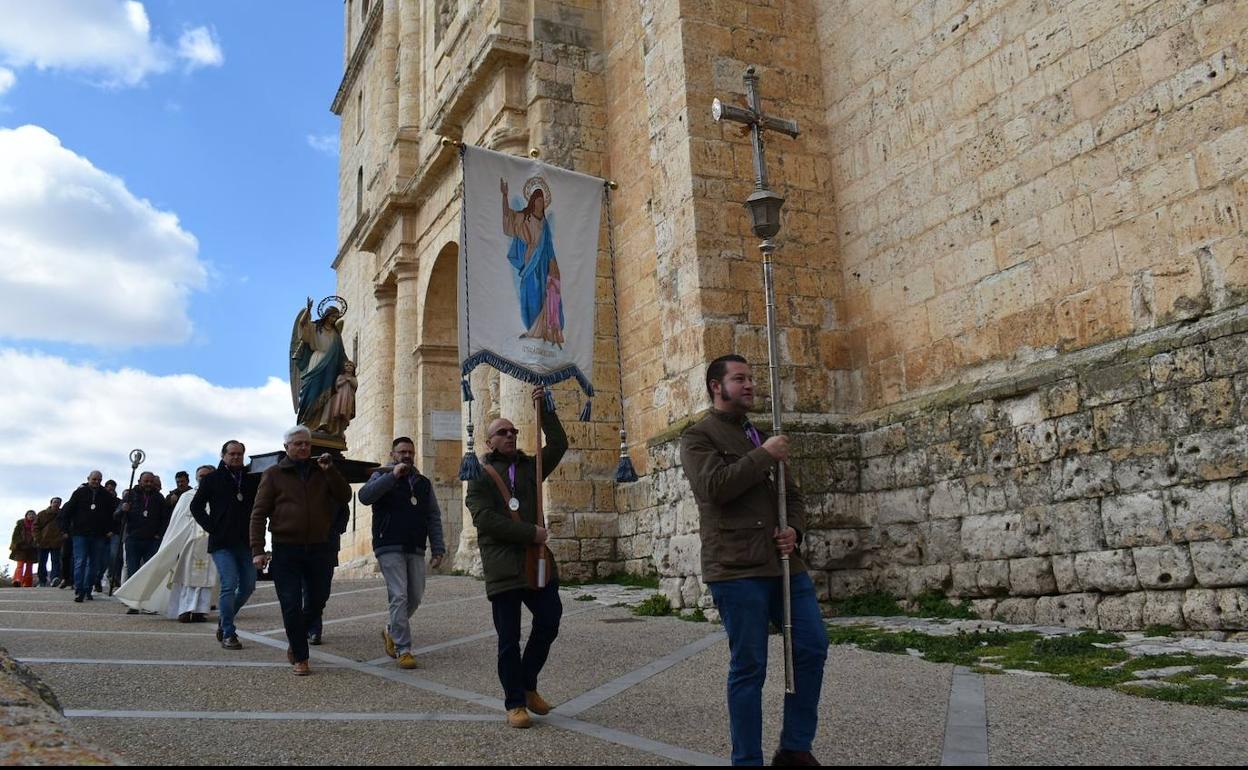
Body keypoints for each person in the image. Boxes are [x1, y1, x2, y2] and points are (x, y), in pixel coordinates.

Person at [680, 354, 828, 767]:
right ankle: (747, 760)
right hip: (736, 568)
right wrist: (764, 454)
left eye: (751, 378)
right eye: (739, 378)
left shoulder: (756, 433)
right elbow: (714, 488)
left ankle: (795, 748)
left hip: (784, 565)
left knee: (812, 647)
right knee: (750, 667)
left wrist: (794, 530)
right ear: (716, 386)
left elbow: (792, 496)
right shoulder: (697, 437)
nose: (749, 385)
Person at [464, 386, 567, 728]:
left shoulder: (530, 468)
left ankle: (527, 683)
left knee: (550, 620)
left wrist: (545, 408)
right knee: (508, 639)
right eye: (502, 433)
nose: (510, 436)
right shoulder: (478, 476)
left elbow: (559, 445)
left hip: (537, 563)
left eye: (513, 432)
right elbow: (486, 521)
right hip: (505, 568)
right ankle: (514, 704)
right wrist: (530, 533)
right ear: (489, 440)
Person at [250, 426, 351, 675]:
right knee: (290, 603)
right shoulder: (273, 474)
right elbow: (259, 513)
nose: (304, 448)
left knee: (318, 599)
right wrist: (257, 549)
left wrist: (332, 472)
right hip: (286, 548)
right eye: (298, 444)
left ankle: (297, 640)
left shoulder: (323, 470)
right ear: (287, 447)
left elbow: (344, 495)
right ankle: (300, 656)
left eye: (306, 444)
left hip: (320, 547)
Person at [358, 436, 447, 670]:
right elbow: (365, 497)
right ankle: (403, 648)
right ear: (392, 454)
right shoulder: (381, 476)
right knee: (399, 595)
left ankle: (391, 629)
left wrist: (438, 548)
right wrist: (392, 476)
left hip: (415, 546)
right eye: (401, 452)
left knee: (415, 595)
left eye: (410, 452)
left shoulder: (423, 483)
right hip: (388, 544)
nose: (406, 455)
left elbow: (433, 517)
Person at [116, 466, 218, 621]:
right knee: (185, 577)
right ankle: (183, 610)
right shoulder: (187, 496)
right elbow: (177, 522)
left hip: (210, 543)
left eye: (207, 476)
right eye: (201, 476)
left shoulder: (219, 496)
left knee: (206, 579)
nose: (203, 478)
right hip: (188, 543)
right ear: (197, 478)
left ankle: (200, 611)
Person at [191, 440, 260, 650]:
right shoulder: (212, 479)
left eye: (240, 454)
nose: (236, 457)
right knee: (229, 584)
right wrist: (213, 527)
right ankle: (229, 632)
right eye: (232, 454)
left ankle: (224, 618)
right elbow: (196, 506)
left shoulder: (251, 478)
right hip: (222, 542)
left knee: (248, 586)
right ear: (223, 455)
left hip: (246, 541)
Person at [59, 471, 113, 602]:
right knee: (80, 561)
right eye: (94, 479)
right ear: (88, 479)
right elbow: (66, 511)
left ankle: (88, 589)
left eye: (99, 480)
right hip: (80, 533)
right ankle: (79, 590)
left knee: (94, 564)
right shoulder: (79, 493)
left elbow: (111, 514)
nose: (96, 482)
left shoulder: (106, 495)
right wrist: (64, 529)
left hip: (98, 534)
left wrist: (111, 529)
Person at [117, 472, 171, 580]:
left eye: (151, 481)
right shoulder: (130, 496)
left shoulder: (159, 497)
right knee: (132, 570)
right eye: (146, 481)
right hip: (133, 539)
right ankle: (131, 594)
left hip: (151, 540)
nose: (149, 484)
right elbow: (116, 515)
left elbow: (165, 518)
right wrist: (123, 509)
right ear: (139, 481)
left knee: (149, 571)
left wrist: (159, 535)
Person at [34, 497, 64, 587]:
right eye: (55, 502)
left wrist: (62, 536)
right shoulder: (42, 514)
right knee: (42, 561)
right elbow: (35, 527)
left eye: (58, 502)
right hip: (43, 541)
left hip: (57, 541)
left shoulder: (62, 514)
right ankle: (42, 580)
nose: (56, 504)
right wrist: (38, 538)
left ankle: (55, 578)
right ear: (51, 503)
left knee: (56, 561)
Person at [9, 511, 37, 587]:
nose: (31, 516)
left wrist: (35, 544)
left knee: (29, 566)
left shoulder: (37, 524)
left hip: (32, 548)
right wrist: (18, 543)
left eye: (33, 515)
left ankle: (27, 583)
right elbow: (15, 536)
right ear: (26, 516)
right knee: (20, 565)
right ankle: (17, 580)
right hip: (20, 547)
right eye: (29, 514)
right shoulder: (20, 524)